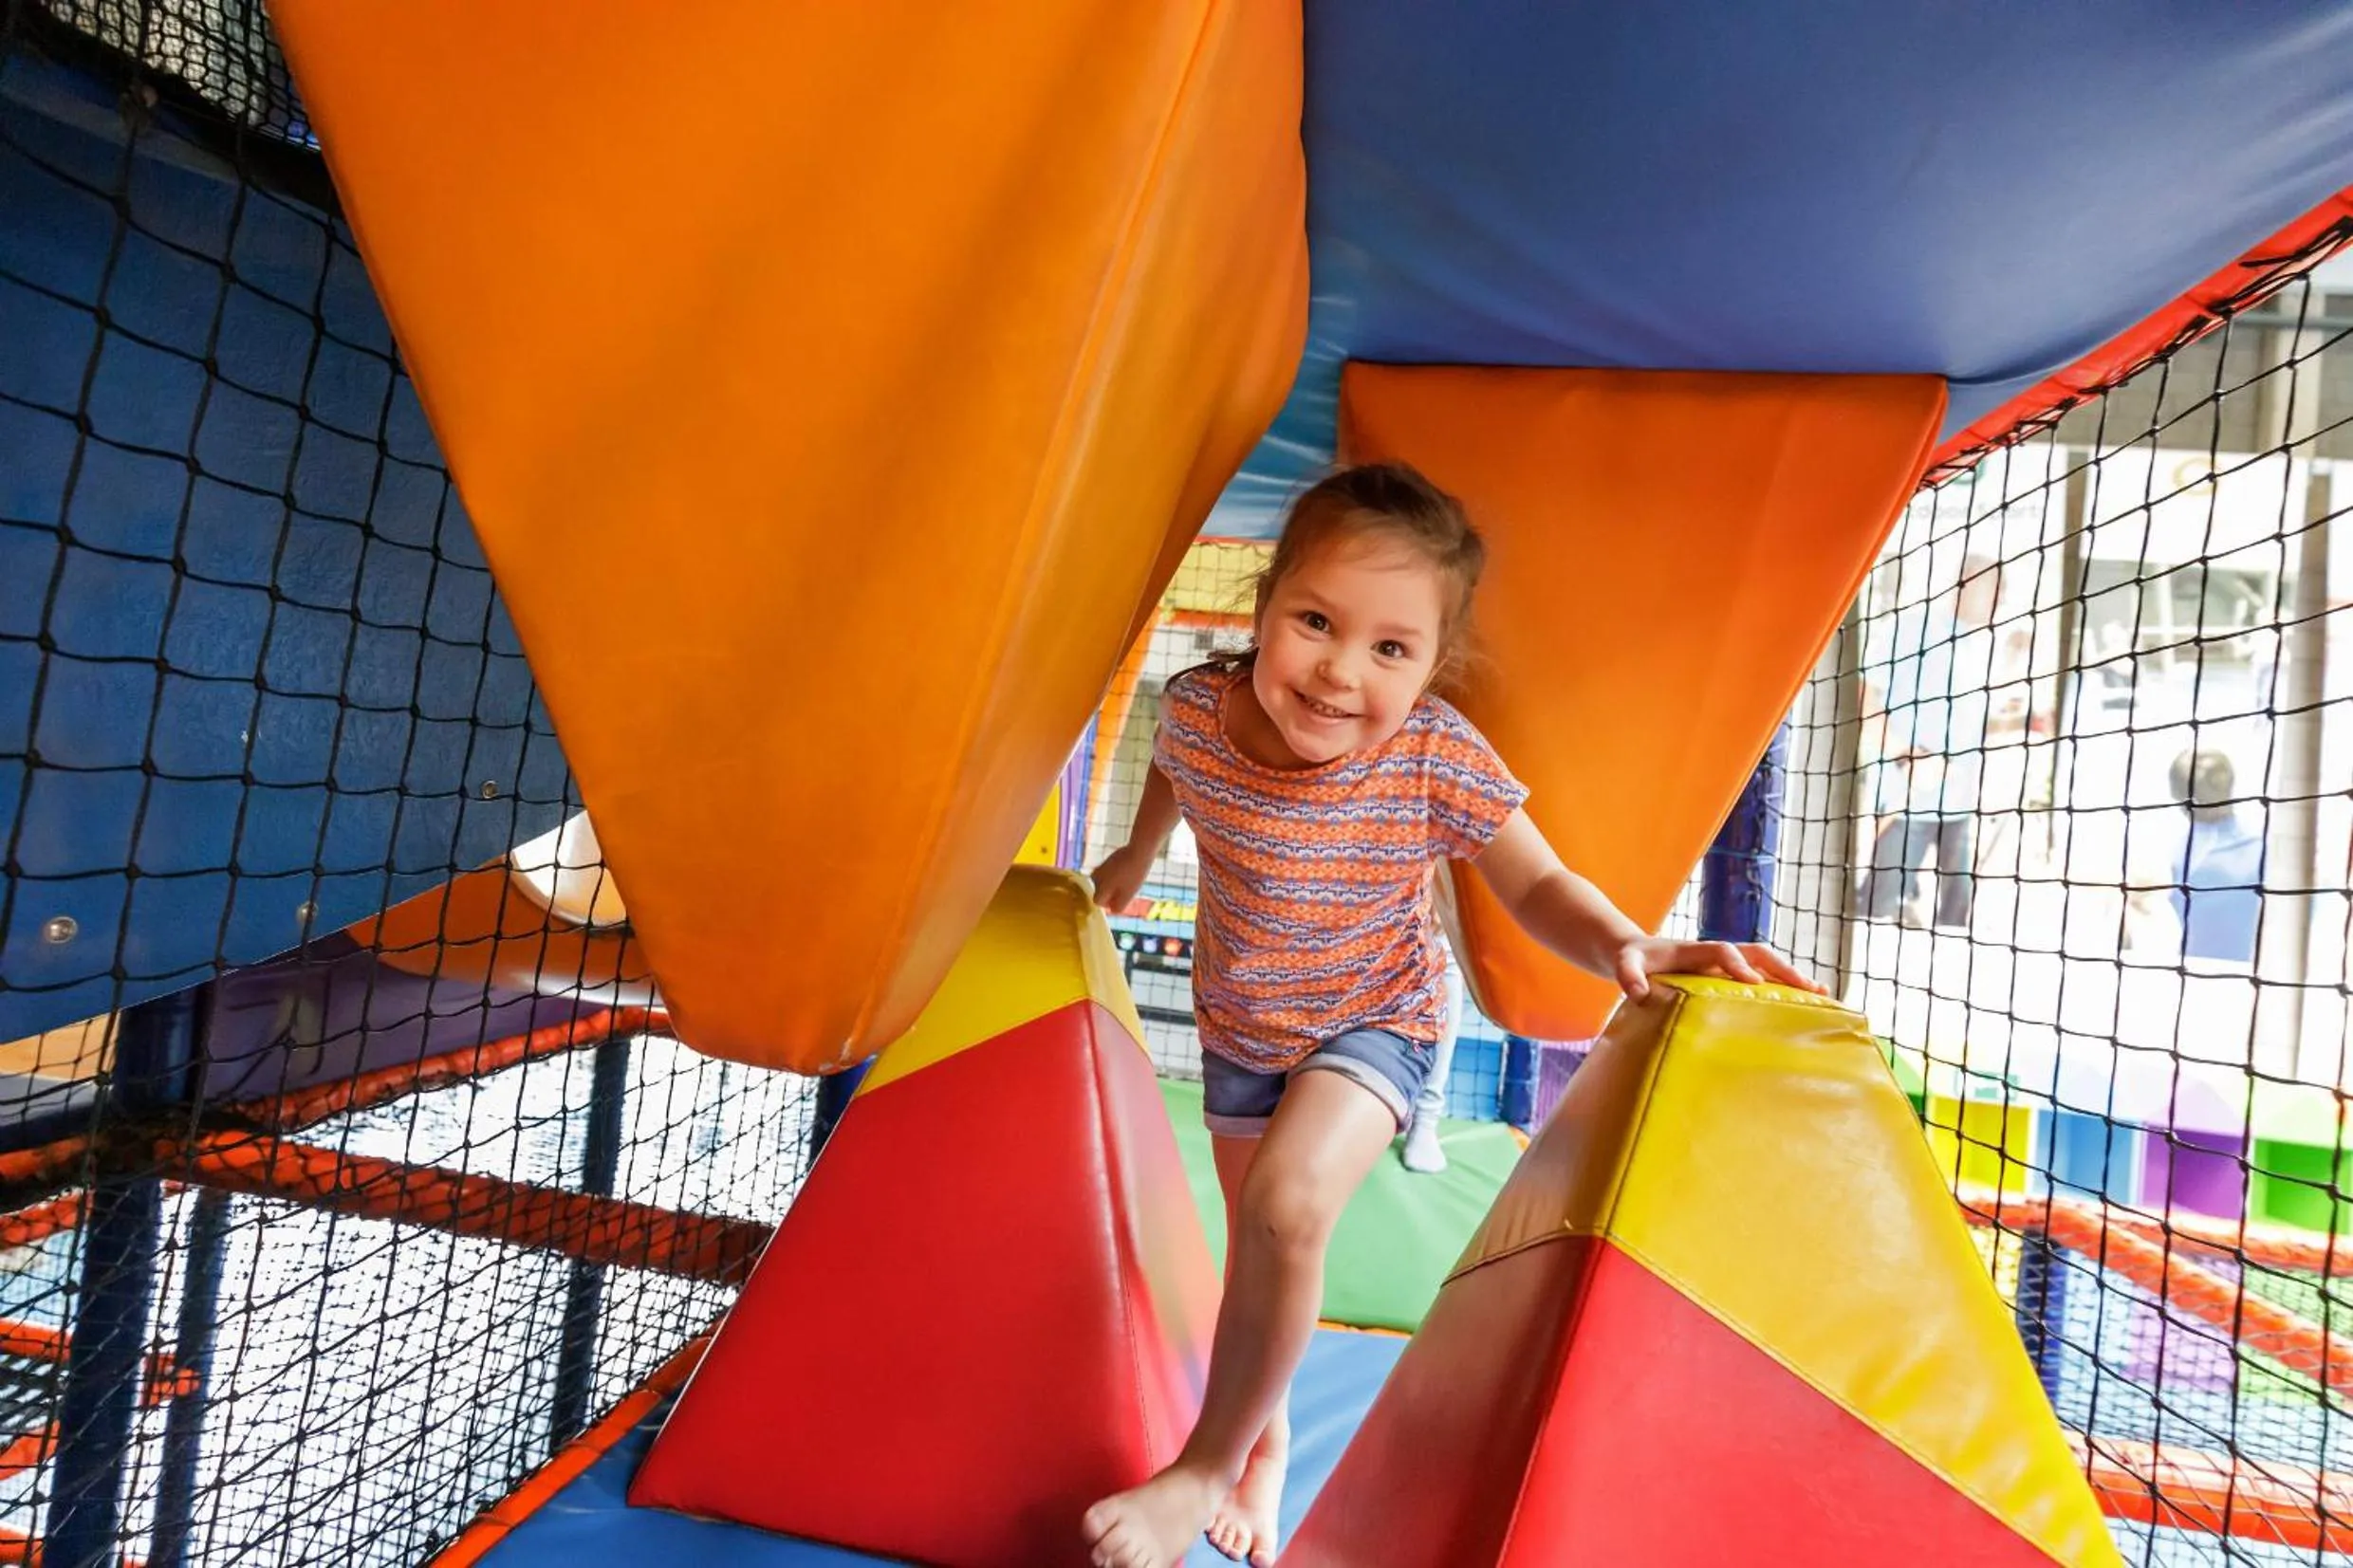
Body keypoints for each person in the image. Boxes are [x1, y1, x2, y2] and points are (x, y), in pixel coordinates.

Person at [1082, 463, 1820, 1568]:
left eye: (1389, 649)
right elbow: (1175, 777)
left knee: (1288, 1208)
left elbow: (1533, 884)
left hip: (1374, 1021)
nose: (1338, 671)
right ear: (1264, 604)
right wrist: (1136, 855)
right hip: (1240, 1026)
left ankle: (1198, 1469)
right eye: (1315, 623)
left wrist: (1625, 937)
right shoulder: (1197, 709)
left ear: (1431, 664)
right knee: (1261, 1248)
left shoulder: (1433, 755)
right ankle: (1266, 1450)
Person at [1858, 554, 2010, 930]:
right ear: (1968, 581)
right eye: (1997, 588)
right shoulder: (1911, 629)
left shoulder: (1982, 646)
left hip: (1960, 808)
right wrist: (1902, 755)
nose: (2003, 599)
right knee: (1879, 918)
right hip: (1904, 806)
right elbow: (1864, 695)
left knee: (1956, 925)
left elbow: (1972, 724)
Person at [2126, 748, 2264, 966]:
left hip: (2195, 980)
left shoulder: (2171, 859)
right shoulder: (2270, 851)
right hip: (2258, 980)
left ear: (2178, 797)